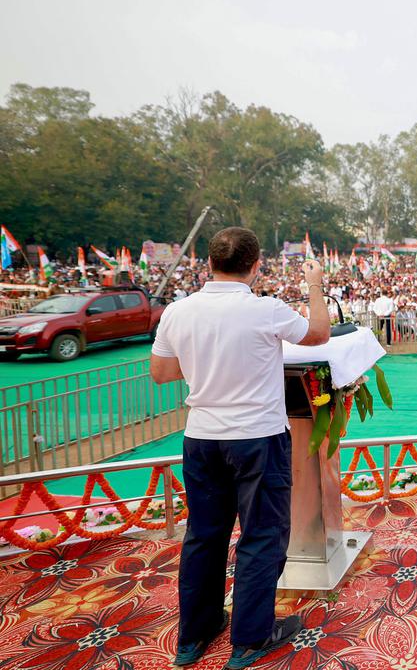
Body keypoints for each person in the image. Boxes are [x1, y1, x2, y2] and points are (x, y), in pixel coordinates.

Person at [150, 227, 330, 669]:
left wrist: (207, 364)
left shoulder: (179, 310)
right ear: (255, 265)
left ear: (208, 263)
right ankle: (250, 638)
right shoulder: (265, 310)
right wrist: (314, 284)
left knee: (203, 537)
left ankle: (194, 635)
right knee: (261, 537)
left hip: (203, 437)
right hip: (257, 438)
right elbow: (320, 334)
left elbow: (162, 373)